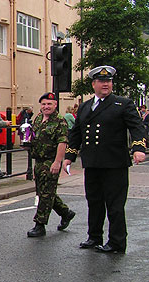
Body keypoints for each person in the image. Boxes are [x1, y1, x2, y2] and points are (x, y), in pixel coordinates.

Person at [63, 66, 146, 254]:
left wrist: (138, 148)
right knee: (94, 201)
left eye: (108, 81)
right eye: (101, 81)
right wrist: (69, 156)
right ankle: (94, 236)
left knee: (115, 205)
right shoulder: (85, 106)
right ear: (94, 84)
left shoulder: (122, 104)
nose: (105, 84)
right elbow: (76, 133)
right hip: (92, 162)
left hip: (114, 163)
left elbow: (137, 127)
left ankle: (117, 242)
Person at [26, 92, 76, 237]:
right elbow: (34, 136)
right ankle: (66, 213)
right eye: (44, 104)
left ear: (55, 105)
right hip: (39, 160)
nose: (46, 107)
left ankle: (40, 225)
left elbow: (62, 142)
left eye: (49, 104)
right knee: (43, 191)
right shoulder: (38, 118)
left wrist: (57, 162)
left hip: (51, 160)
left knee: (46, 194)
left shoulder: (60, 121)